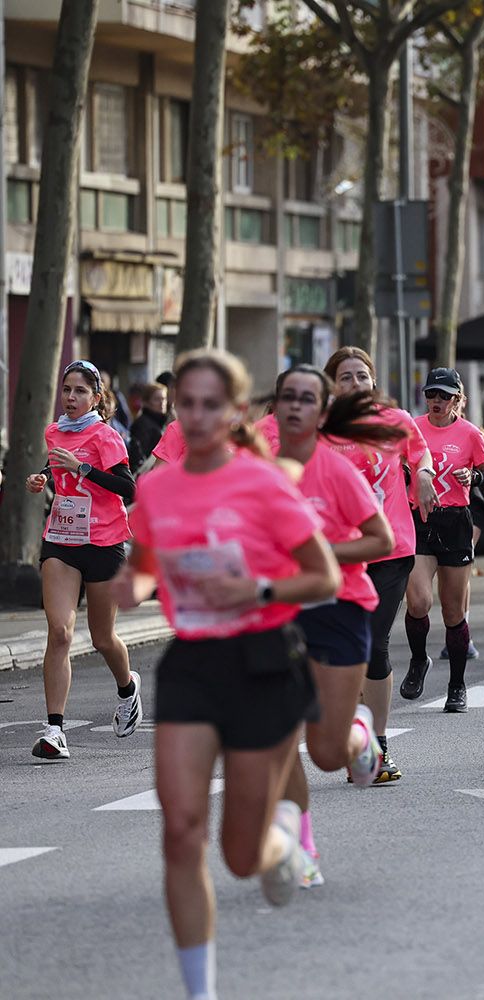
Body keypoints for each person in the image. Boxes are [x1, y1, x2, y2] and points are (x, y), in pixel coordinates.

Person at [110, 349, 340, 1000]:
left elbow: (321, 575)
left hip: (264, 656)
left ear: (238, 412)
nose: (200, 415)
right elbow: (151, 565)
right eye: (188, 403)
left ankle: (281, 848)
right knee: (181, 831)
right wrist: (137, 583)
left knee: (240, 855)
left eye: (214, 404)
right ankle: (200, 992)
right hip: (191, 662)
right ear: (175, 411)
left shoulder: (263, 482)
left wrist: (258, 588)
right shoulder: (156, 487)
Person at [271, 366, 396, 887]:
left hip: (340, 604)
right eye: (287, 398)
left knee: (325, 752)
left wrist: (320, 554)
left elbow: (381, 540)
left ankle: (360, 736)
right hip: (278, 610)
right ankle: (302, 848)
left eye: (307, 399)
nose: (296, 406)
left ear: (322, 413)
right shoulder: (260, 471)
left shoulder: (336, 471)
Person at [322, 347, 436, 783]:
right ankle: (356, 737)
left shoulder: (396, 421)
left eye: (362, 377)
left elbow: (419, 455)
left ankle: (378, 745)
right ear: (333, 385)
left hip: (391, 549)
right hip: (339, 553)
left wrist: (423, 474)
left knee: (373, 643)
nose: (355, 384)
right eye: (346, 377)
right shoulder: (320, 430)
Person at [24, 359, 140, 760]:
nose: (70, 398)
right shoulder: (54, 431)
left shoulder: (106, 437)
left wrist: (84, 468)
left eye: (79, 391)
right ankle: (54, 730)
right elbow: (58, 469)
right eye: (66, 389)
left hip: (103, 542)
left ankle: (127, 688)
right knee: (59, 632)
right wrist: (43, 477)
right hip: (61, 539)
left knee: (103, 638)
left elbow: (128, 488)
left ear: (95, 397)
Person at [400, 368, 484, 712]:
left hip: (455, 520)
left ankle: (457, 685)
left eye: (444, 396)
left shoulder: (470, 434)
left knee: (453, 610)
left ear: (458, 399)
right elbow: (397, 463)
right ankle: (418, 660)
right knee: (419, 602)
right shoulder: (412, 427)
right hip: (420, 519)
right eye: (431, 395)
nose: (436, 401)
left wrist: (474, 475)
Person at [129, 380, 169, 472]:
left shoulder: (160, 423)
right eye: (157, 399)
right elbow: (139, 458)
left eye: (164, 399)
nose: (162, 403)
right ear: (146, 402)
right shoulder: (143, 425)